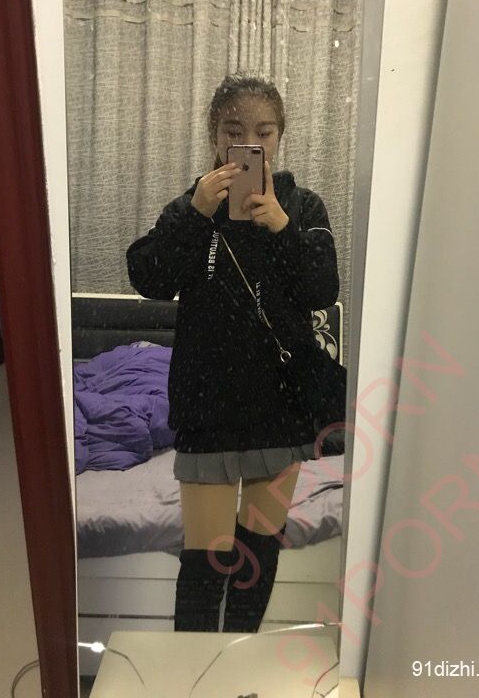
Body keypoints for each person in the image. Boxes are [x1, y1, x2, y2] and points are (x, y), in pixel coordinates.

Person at [126, 72, 339, 634]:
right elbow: (149, 276)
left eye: (263, 132)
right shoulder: (193, 205)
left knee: (257, 554)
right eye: (233, 130)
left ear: (279, 136)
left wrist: (283, 229)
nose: (248, 143)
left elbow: (322, 289)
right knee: (206, 561)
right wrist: (195, 213)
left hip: (278, 405)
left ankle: (239, 658)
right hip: (208, 403)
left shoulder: (302, 205)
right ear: (214, 136)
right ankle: (193, 671)